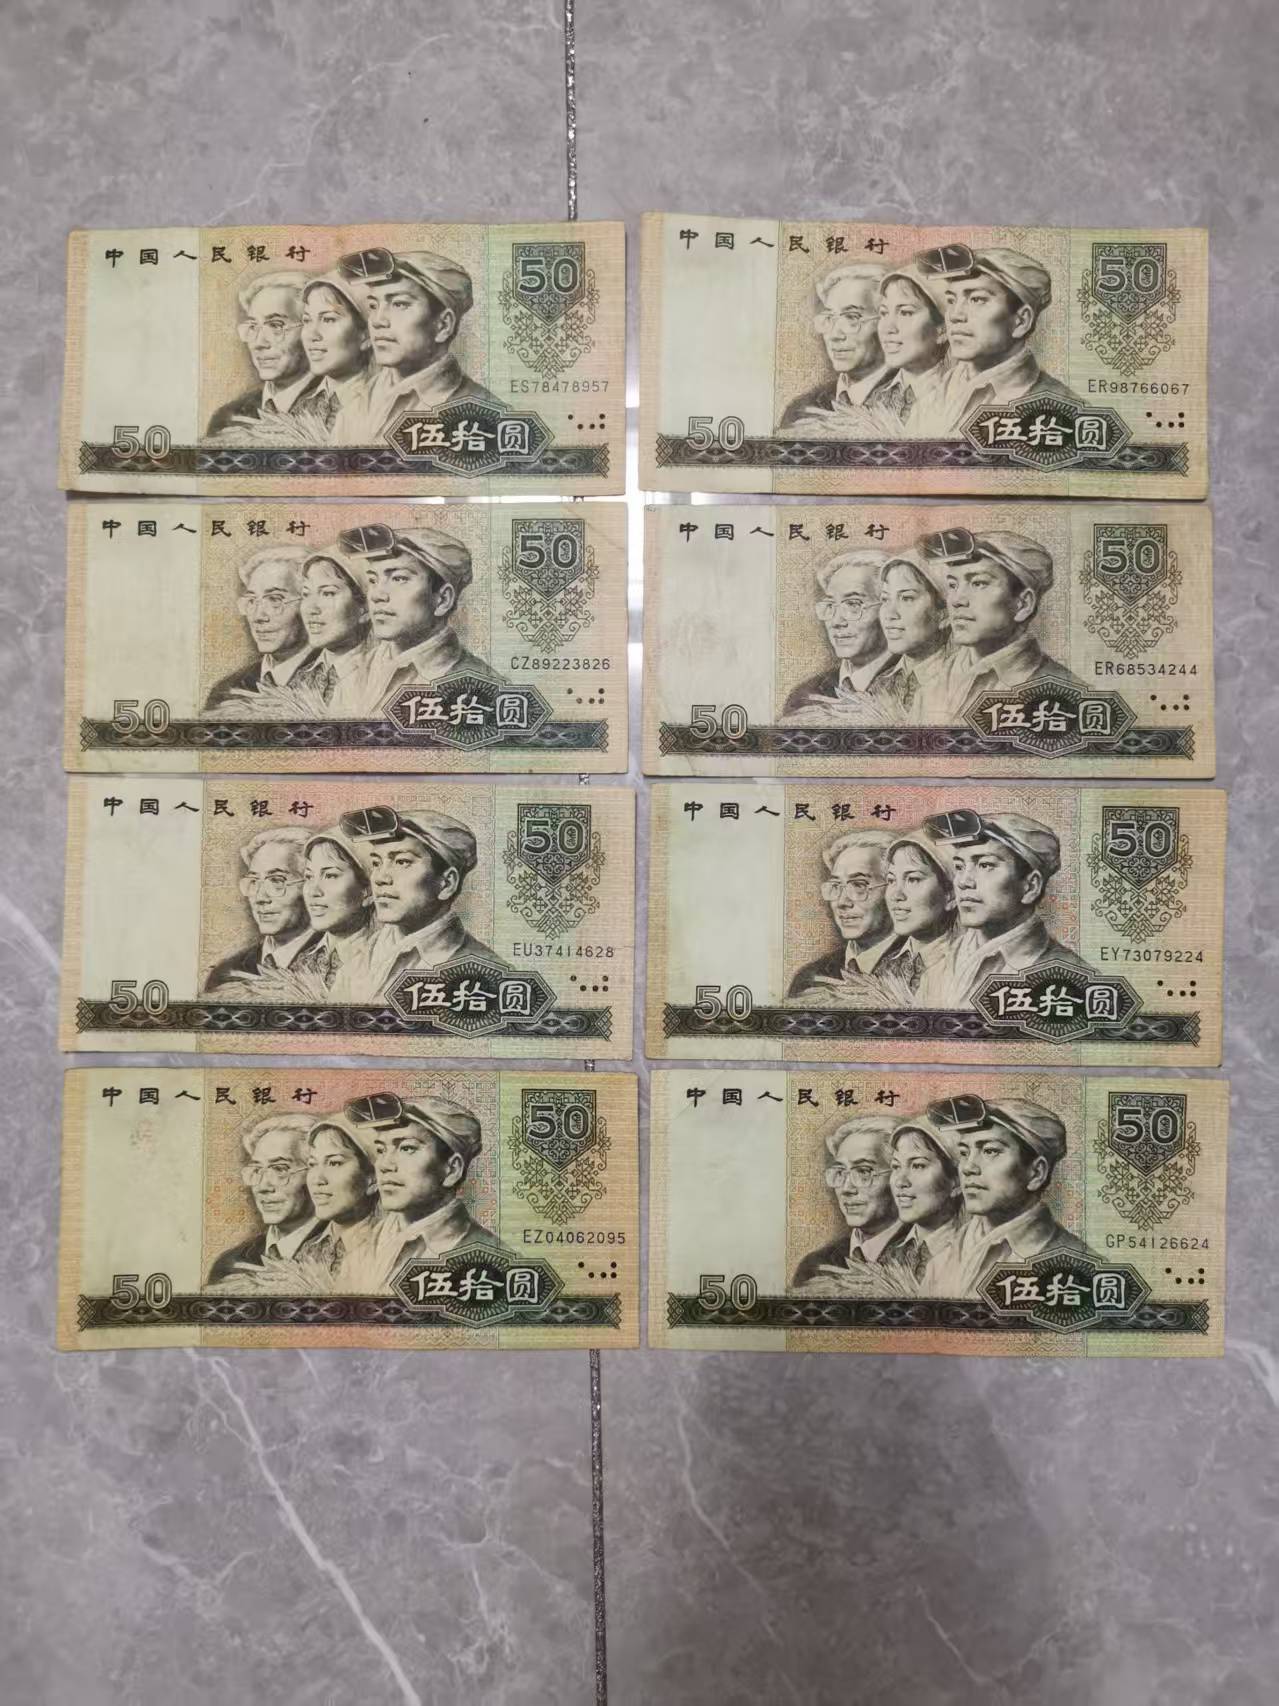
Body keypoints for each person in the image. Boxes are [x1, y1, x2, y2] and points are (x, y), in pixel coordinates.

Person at [925, 1093, 1097, 1295]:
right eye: (964, 1153)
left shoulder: (1081, 1269)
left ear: (1036, 1173)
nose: (968, 1168)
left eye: (990, 1151)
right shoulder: (942, 1259)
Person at [334, 247, 502, 442]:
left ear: (443, 325)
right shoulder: (356, 402)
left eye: (399, 304)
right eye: (373, 306)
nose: (377, 320)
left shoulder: (487, 416)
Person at [912, 243, 1081, 435]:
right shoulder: (934, 392)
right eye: (951, 300)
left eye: (977, 299)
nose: (955, 315)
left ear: (1021, 321)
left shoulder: (1063, 411)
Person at [917, 527, 1083, 718]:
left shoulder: (1066, 695)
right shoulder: (934, 683)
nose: (956, 600)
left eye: (978, 583)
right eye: (953, 585)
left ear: (1023, 604)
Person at [924, 809, 1090, 998]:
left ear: (1030, 886)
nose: (963, 882)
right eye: (959, 867)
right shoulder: (939, 959)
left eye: (985, 865)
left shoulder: (1072, 978)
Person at [338, 804, 511, 986]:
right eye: (376, 863)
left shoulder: (490, 975)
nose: (380, 878)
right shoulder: (359, 956)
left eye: (402, 862)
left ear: (447, 883)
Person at [342, 1092, 501, 1282]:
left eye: (407, 1148)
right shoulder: (363, 1246)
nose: (384, 1165)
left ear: (452, 1169)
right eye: (381, 1150)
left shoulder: (491, 1260)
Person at [336, 524, 499, 707]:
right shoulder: (353, 671)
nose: (376, 595)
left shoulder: (481, 687)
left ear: (443, 599)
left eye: (399, 579)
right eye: (373, 580)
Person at [207, 1113, 327, 1283]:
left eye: (280, 1169)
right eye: (257, 1170)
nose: (263, 1187)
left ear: (315, 1174)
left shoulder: (345, 1256)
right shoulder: (230, 1265)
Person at [792, 1114, 908, 1289]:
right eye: (840, 1172)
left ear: (898, 1176)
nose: (846, 1189)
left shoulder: (926, 1257)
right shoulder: (815, 1266)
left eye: (864, 1172)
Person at [782, 549, 896, 718]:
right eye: (830, 605)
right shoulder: (805, 696)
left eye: (853, 604)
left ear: (888, 608)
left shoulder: (917, 689)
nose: (836, 622)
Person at [206, 270, 321, 436]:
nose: (259, 343)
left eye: (276, 325)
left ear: (310, 329)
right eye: (253, 326)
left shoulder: (339, 410)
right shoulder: (228, 418)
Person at [204, 543, 317, 712]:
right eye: (251, 601)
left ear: (309, 604)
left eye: (275, 599)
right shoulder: (227, 690)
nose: (258, 617)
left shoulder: (336, 682)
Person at [204, 826, 320, 991]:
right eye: (254, 881)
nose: (260, 898)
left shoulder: (338, 967)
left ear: (310, 885)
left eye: (277, 881)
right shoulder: (226, 974)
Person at [788, 827, 899, 997]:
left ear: (894, 889)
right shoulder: (809, 978)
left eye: (859, 885)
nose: (841, 902)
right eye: (836, 886)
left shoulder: (922, 972)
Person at [778, 261, 888, 430]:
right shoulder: (801, 411)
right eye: (829, 318)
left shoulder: (913, 404)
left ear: (887, 322)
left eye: (852, 317)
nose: (835, 335)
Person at [862, 266, 951, 433]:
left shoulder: (959, 397)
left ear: (942, 330)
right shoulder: (874, 400)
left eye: (905, 313)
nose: (888, 328)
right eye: (884, 313)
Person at [288, 545, 376, 715]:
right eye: (306, 594)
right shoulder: (300, 679)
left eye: (328, 593)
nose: (311, 608)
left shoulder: (382, 676)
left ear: (365, 608)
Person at [878, 833, 961, 1005]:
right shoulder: (885, 966)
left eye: (913, 879)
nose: (896, 895)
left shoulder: (967, 965)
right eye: (891, 880)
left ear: (951, 894)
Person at [292, 829, 377, 993]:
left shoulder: (383, 960)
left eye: (330, 875)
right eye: (309, 876)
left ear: (368, 891)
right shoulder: (301, 962)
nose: (313, 891)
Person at [886, 1116, 965, 1290]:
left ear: (956, 1181)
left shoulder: (971, 1253)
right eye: (896, 1166)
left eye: (918, 1166)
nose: (900, 1181)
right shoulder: (889, 1254)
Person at [875, 551, 954, 723]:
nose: (890, 614)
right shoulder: (879, 686)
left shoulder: (961, 684)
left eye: (907, 598)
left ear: (944, 614)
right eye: (885, 599)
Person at [296, 270, 373, 440]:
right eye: (307, 320)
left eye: (328, 319)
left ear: (366, 335)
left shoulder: (381, 405)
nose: (311, 334)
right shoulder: (301, 406)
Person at [304, 1116, 381, 1274]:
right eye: (312, 1164)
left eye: (334, 1163)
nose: (317, 1180)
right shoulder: (307, 1251)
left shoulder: (388, 1248)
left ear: (372, 1178)